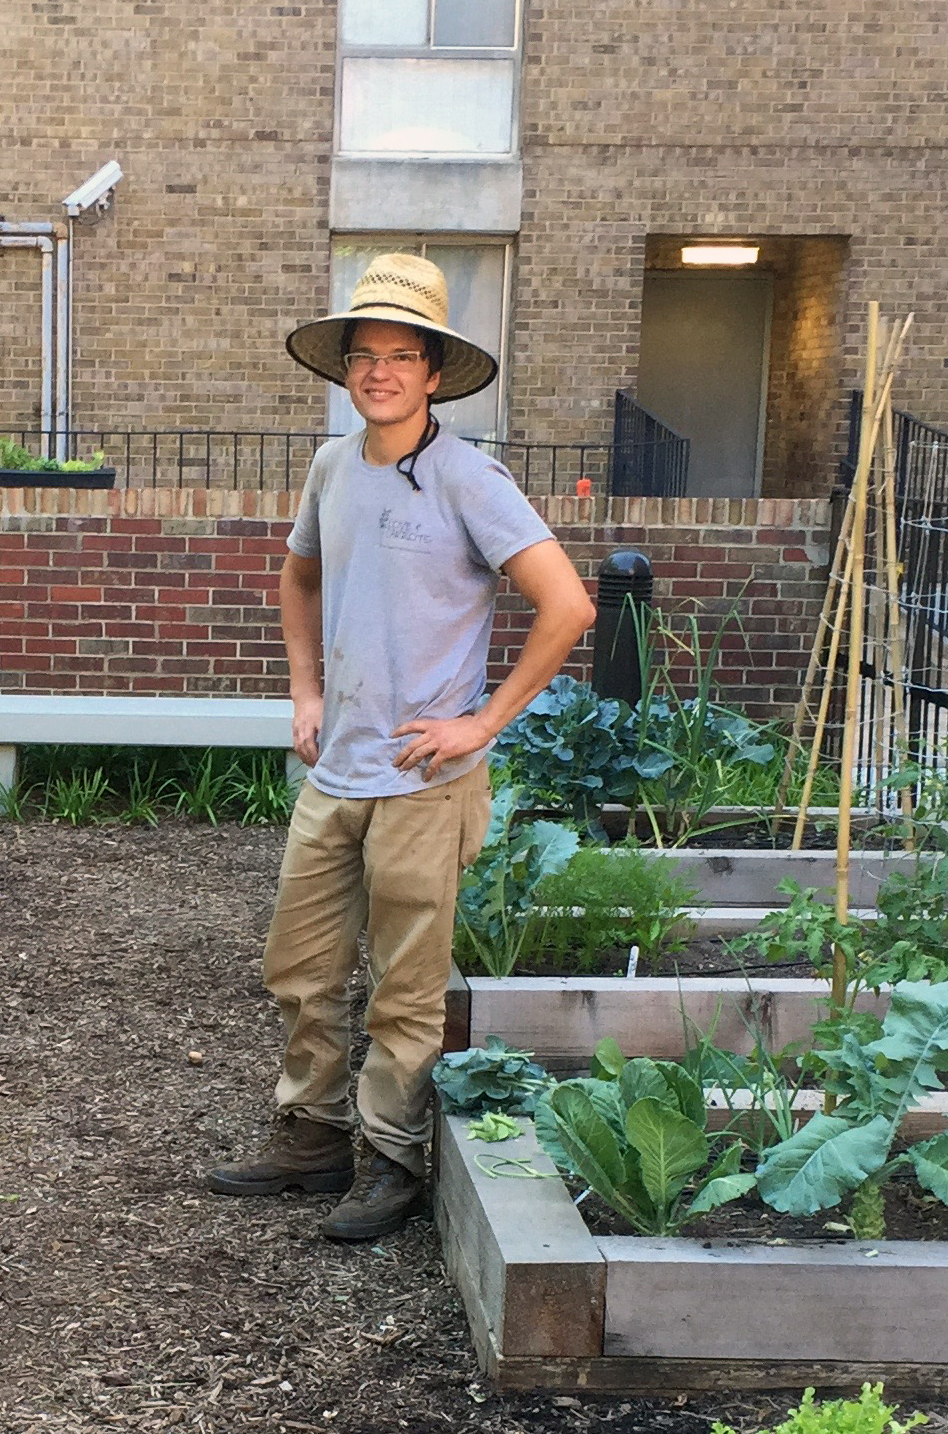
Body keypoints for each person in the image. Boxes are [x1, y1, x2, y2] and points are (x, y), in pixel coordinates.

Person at [207, 253, 595, 1240]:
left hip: (426, 779)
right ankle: (309, 1139)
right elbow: (297, 579)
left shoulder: (469, 479)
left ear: (432, 373)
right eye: (363, 354)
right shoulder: (331, 465)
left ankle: (388, 1162)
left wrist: (479, 722)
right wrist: (302, 691)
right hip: (334, 771)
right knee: (297, 965)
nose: (378, 371)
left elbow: (566, 606)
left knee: (403, 987)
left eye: (400, 355)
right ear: (345, 370)